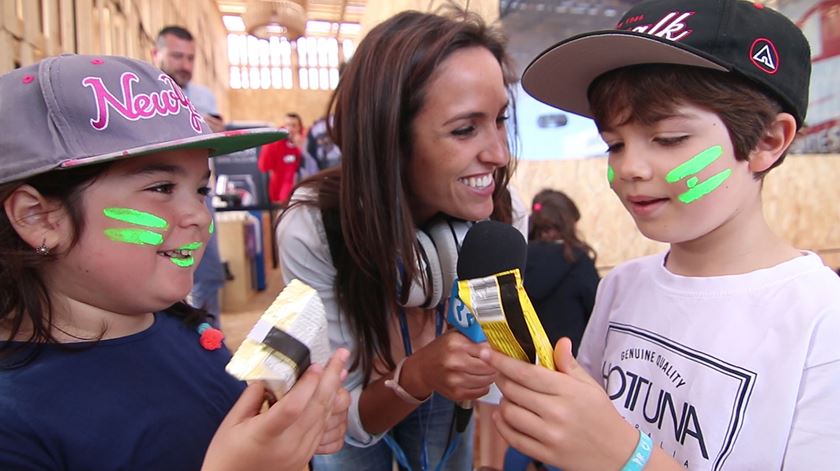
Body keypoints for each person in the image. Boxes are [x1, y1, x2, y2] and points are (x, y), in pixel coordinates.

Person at [481, 0, 840, 469]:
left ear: (766, 141)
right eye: (614, 144)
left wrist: (628, 457)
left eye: (669, 139)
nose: (630, 167)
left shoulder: (821, 323)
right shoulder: (620, 287)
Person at [0, 54, 350, 470]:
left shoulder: (184, 330)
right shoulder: (15, 421)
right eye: (162, 187)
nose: (201, 216)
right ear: (38, 218)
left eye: (201, 189)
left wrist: (287, 429)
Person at [275, 9, 523, 471]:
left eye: (500, 120)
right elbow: (340, 419)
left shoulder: (503, 215)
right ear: (388, 136)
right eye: (465, 129)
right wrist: (419, 372)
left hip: (449, 402)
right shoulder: (313, 229)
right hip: (355, 409)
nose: (498, 154)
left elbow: (495, 378)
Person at [153, 25, 226, 326]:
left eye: (190, 58)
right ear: (156, 54)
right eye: (177, 56)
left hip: (199, 198)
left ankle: (212, 345)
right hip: (155, 203)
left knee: (208, 276)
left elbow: (218, 139)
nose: (185, 65)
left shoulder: (204, 97)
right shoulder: (137, 95)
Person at [525, 189, 599, 354]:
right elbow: (597, 312)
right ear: (568, 223)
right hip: (570, 362)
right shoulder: (578, 260)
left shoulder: (518, 258)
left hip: (528, 362)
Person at [259, 112, 306, 204]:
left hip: (300, 195)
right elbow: (263, 166)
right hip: (279, 196)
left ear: (299, 127)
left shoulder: (306, 144)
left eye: (294, 126)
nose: (290, 129)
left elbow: (310, 167)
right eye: (288, 125)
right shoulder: (275, 144)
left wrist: (301, 148)